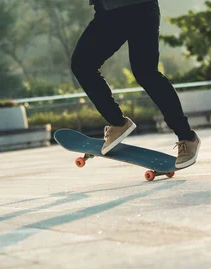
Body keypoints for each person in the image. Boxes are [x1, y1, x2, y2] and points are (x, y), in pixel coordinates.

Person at [71, 0, 200, 169]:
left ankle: (186, 137)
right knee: (82, 65)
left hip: (140, 8)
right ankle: (117, 123)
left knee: (146, 73)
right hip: (108, 13)